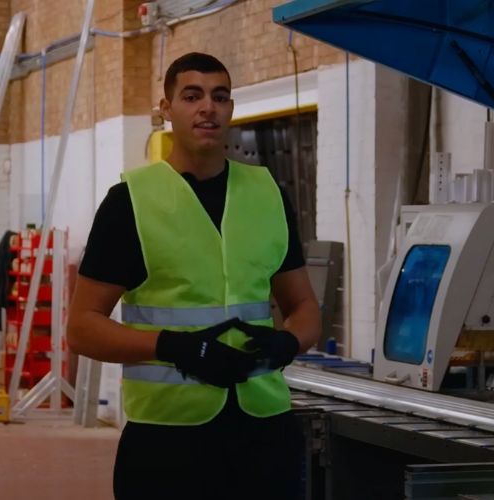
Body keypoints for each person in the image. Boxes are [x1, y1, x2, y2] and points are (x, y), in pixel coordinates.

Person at [67, 52, 321, 500]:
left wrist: (287, 342)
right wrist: (172, 346)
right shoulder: (131, 203)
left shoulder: (268, 195)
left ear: (231, 109)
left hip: (263, 430)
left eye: (220, 97)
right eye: (192, 95)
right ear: (166, 109)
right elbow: (83, 327)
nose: (208, 107)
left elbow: (304, 309)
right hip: (168, 439)